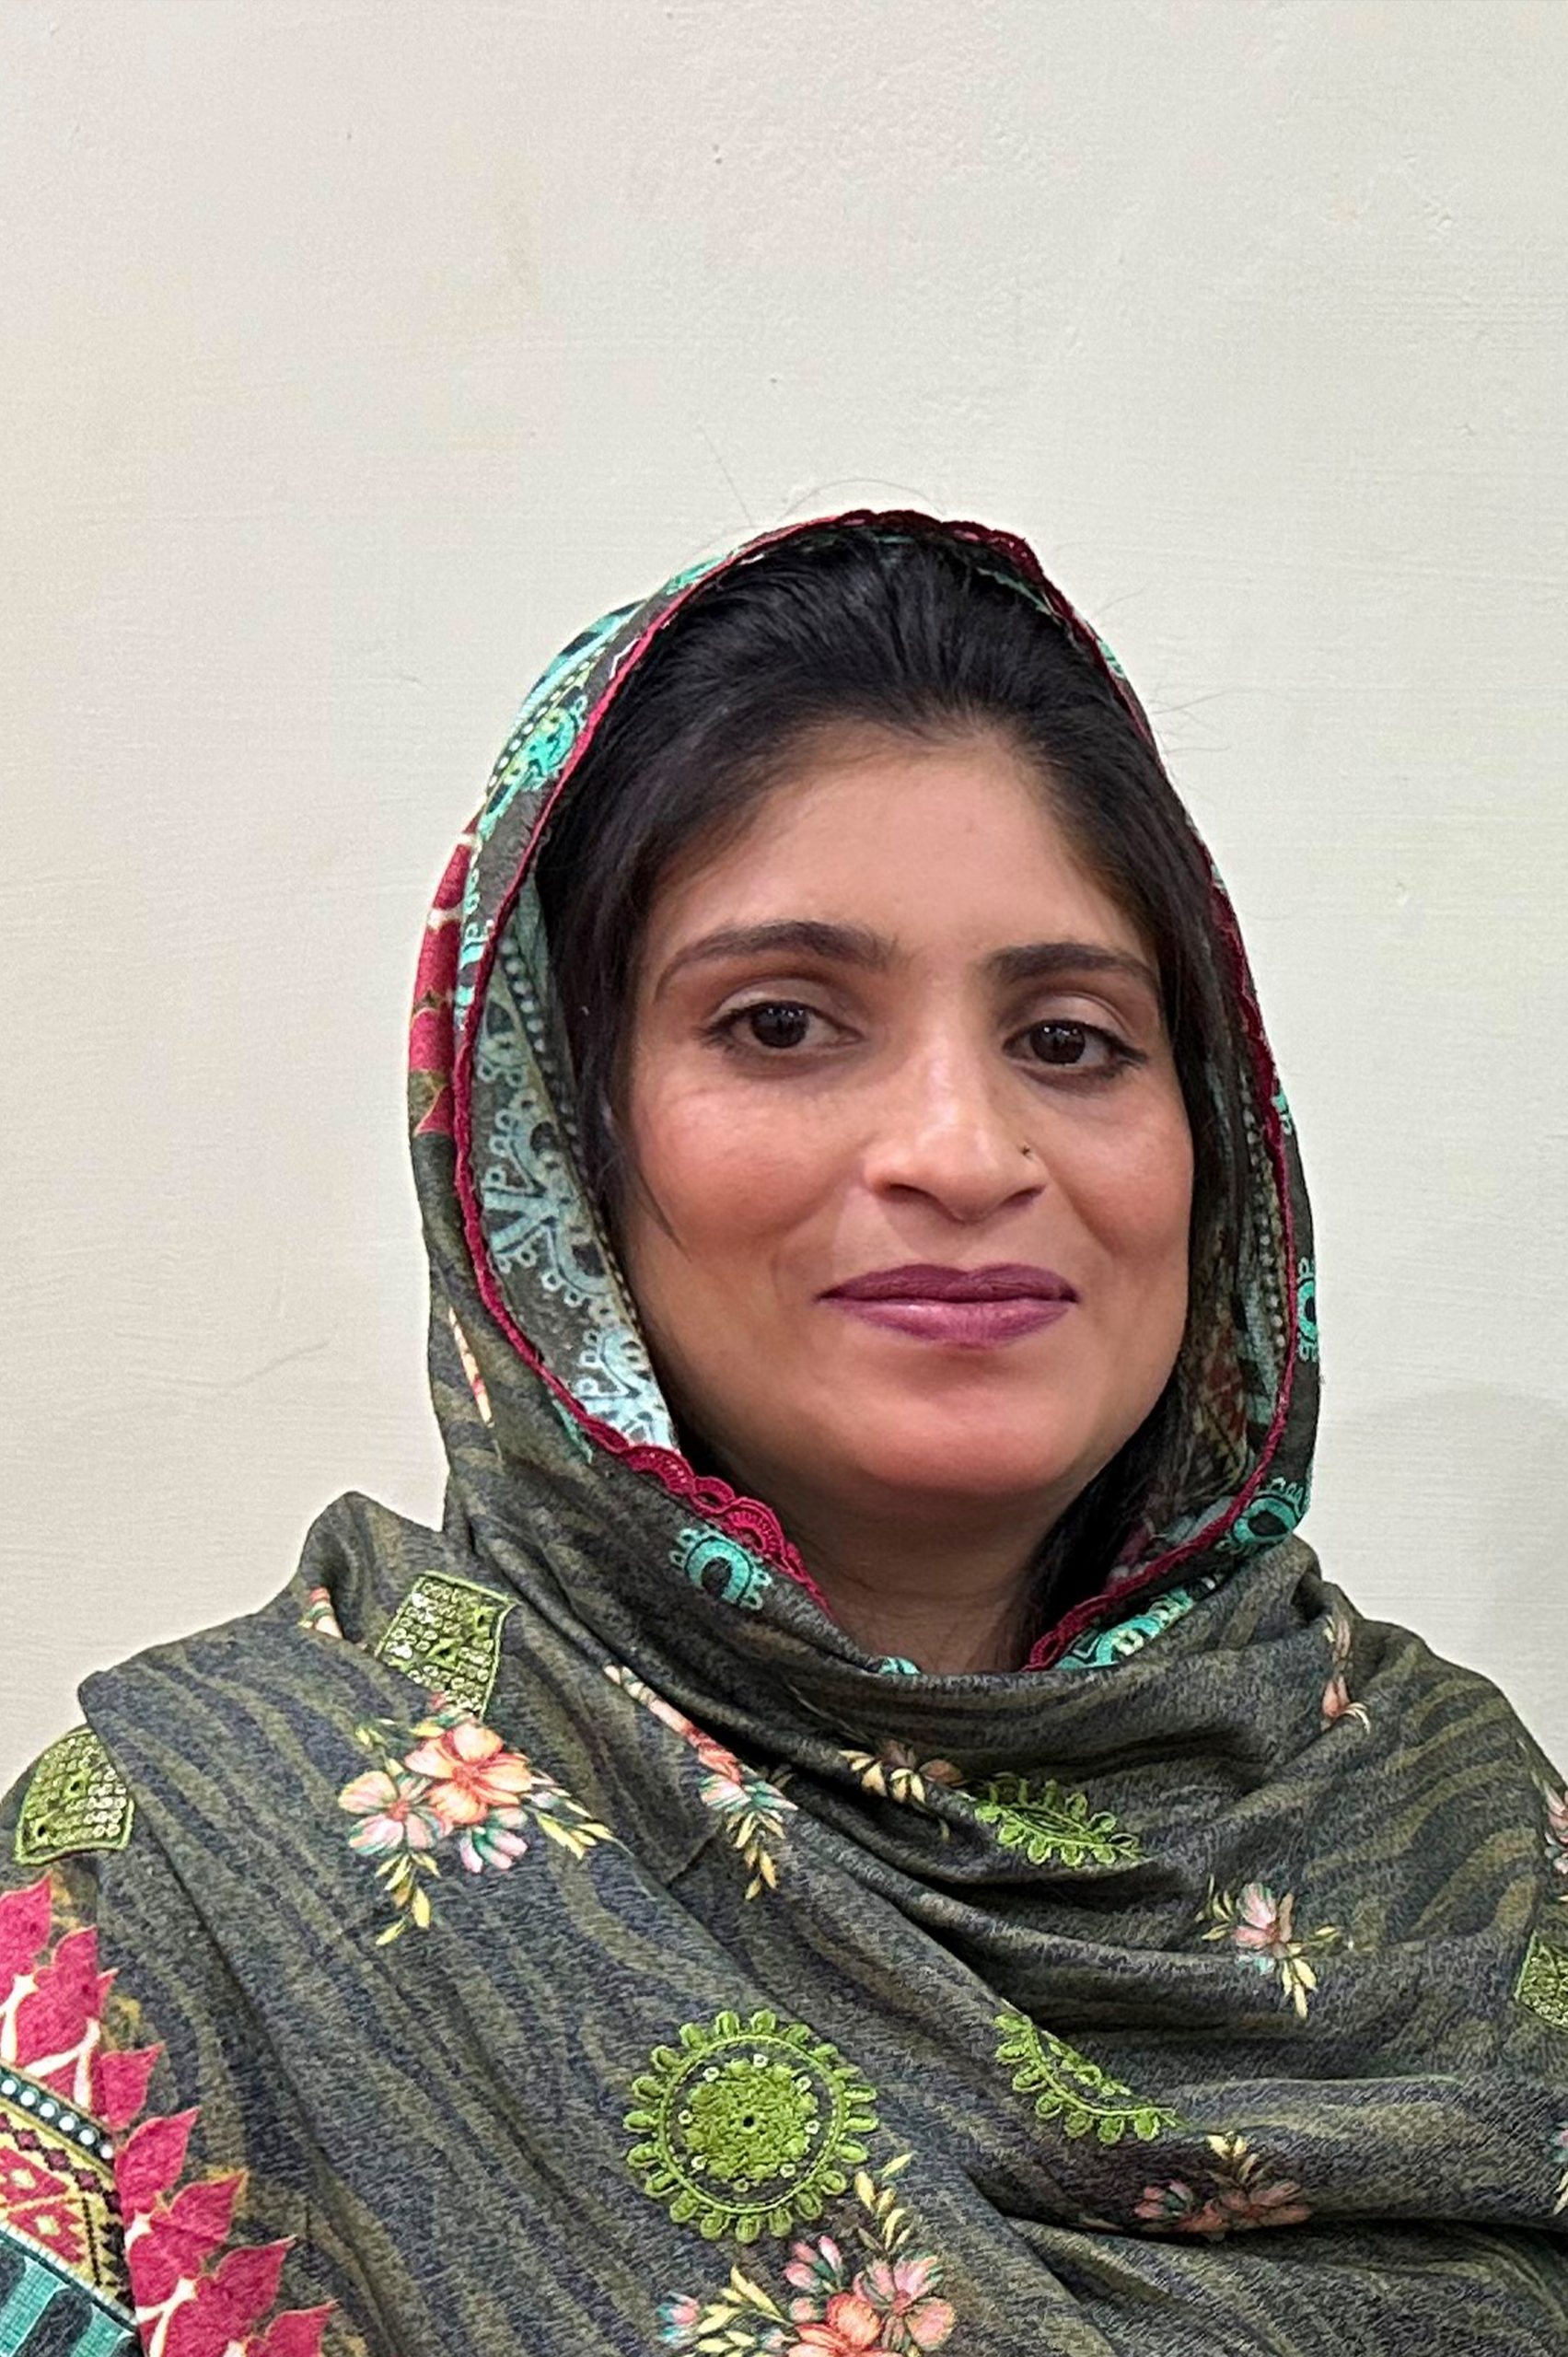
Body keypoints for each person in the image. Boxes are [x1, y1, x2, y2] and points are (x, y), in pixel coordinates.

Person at [2, 511, 1565, 2357]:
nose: (965, 1150)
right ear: (558, 1140)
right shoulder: (188, 1892)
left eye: (1071, 1039)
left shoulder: (1465, 1844)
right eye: (782, 1023)